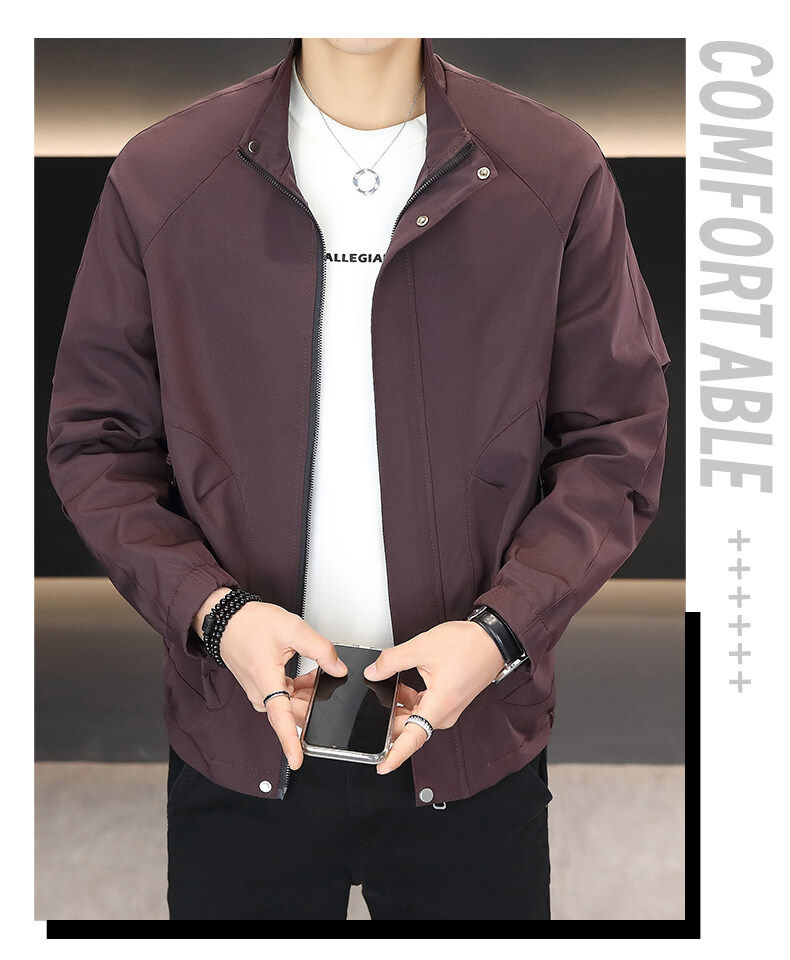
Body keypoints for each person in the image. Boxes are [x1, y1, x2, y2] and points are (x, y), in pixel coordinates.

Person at [47, 38, 670, 920]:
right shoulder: (164, 175)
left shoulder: (553, 171)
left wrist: (498, 634)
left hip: (470, 737)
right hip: (241, 734)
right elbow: (96, 443)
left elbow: (617, 443)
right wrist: (217, 616)